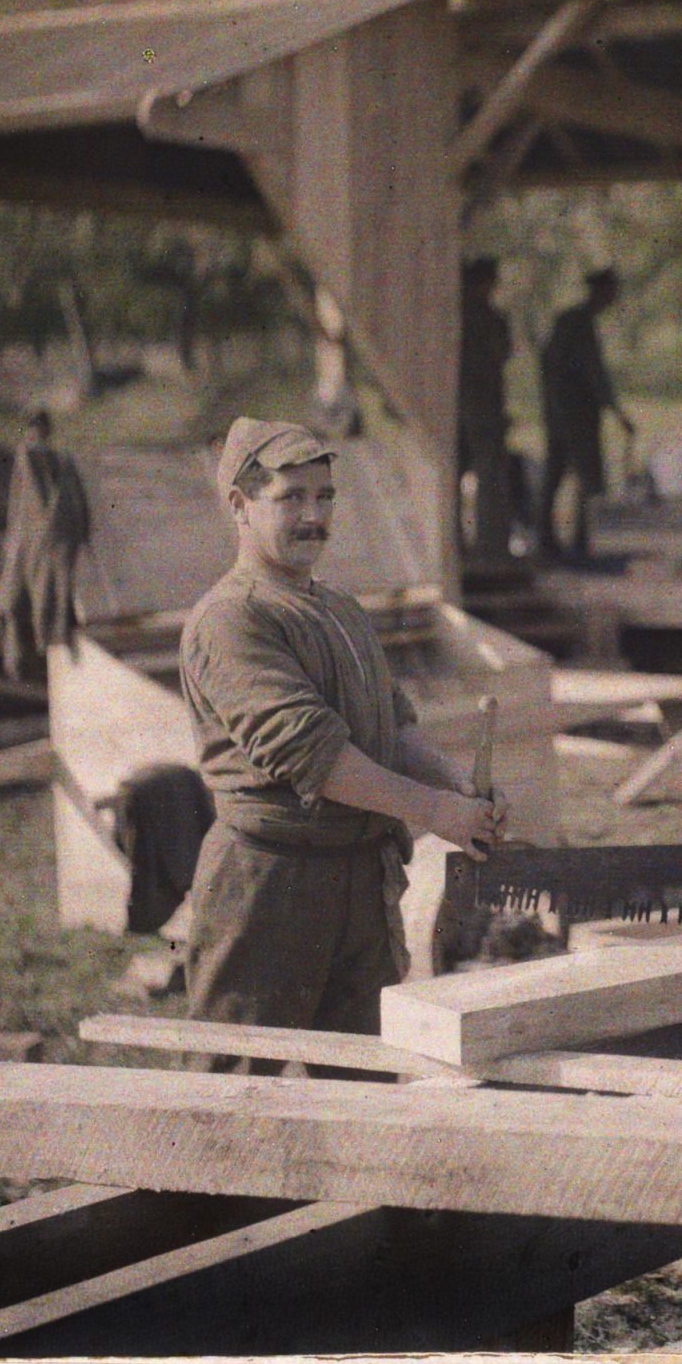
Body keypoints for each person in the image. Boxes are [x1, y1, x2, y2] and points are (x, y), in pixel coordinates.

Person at [178, 418, 503, 1074]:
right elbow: (316, 756)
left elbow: (392, 728)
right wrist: (437, 814)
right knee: (234, 1094)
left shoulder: (340, 610)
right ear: (239, 505)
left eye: (325, 497)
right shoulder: (232, 618)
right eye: (291, 497)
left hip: (359, 878)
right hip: (268, 887)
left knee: (366, 1088)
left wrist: (456, 786)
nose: (314, 515)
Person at [538, 267, 636, 559]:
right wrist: (618, 415)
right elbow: (593, 374)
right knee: (587, 476)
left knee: (557, 474)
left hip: (563, 412)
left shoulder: (572, 322)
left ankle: (552, 540)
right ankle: (579, 542)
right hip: (574, 414)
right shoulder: (577, 324)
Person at [0, 409, 91, 683]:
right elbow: (29, 503)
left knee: (45, 596)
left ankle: (46, 649)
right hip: (36, 542)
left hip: (44, 542)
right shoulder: (30, 456)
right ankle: (31, 658)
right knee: (22, 600)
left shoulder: (52, 458)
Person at [457, 256, 514, 558]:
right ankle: (490, 545)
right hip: (481, 408)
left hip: (466, 407)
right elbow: (501, 354)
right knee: (490, 477)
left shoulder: (458, 318)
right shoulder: (487, 319)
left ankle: (466, 544)